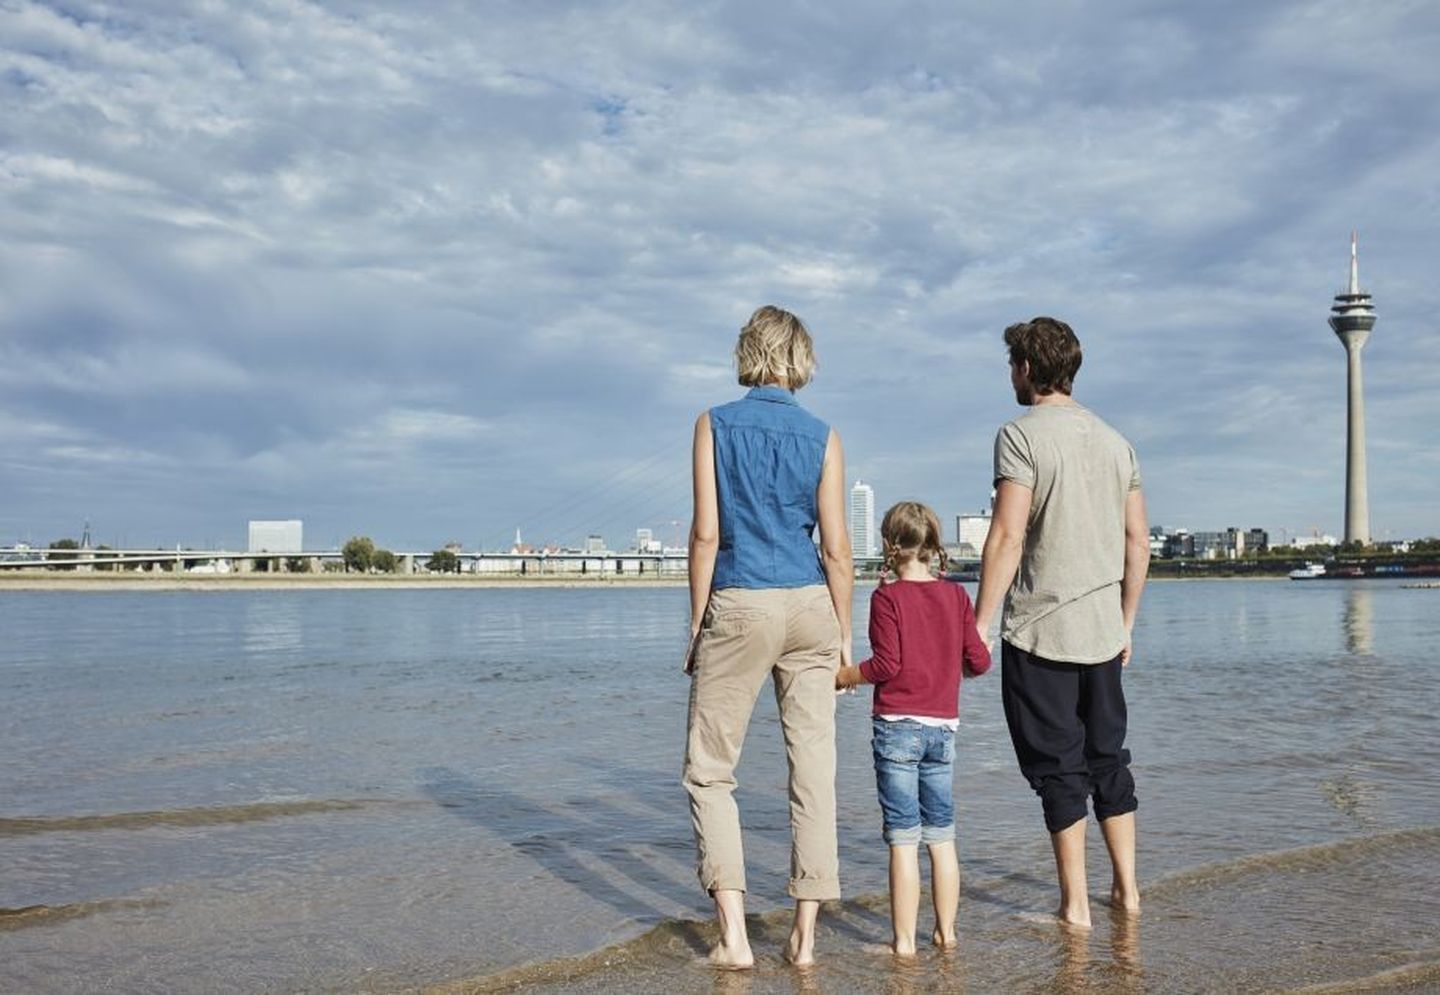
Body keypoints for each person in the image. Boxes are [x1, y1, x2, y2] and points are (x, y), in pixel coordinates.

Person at [682, 305, 854, 968]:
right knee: (813, 770)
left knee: (709, 768)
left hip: (743, 596)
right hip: (811, 603)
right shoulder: (824, 435)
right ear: (799, 358)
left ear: (748, 352)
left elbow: (705, 535)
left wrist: (698, 624)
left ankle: (734, 937)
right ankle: (805, 935)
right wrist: (844, 637)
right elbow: (838, 548)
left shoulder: (713, 424)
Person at [973, 316, 1150, 929]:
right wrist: (1126, 622)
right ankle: (1128, 893)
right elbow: (1138, 543)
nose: (1011, 375)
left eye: (1012, 364)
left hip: (1041, 633)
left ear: (1026, 367)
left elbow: (1006, 535)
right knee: (1109, 760)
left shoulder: (1019, 436)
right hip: (1103, 634)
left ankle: (1075, 905)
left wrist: (978, 623)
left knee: (1059, 770)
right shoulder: (1115, 441)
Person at [835, 501, 991, 956]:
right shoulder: (957, 596)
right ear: (933, 546)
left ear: (889, 546)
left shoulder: (886, 597)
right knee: (942, 836)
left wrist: (845, 676)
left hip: (898, 727)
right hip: (943, 730)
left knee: (903, 839)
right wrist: (964, 652)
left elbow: (886, 665)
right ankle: (947, 934)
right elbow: (979, 663)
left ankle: (903, 943)